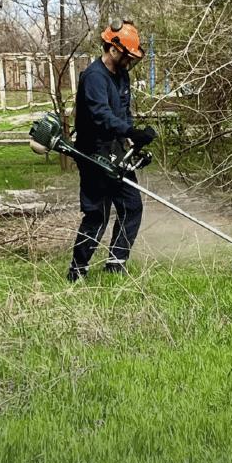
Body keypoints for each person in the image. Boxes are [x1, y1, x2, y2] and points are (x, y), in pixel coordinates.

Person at [67, 20, 156, 282]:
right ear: (114, 49)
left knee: (132, 206)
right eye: (127, 56)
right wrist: (129, 131)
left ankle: (116, 264)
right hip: (93, 152)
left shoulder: (122, 75)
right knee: (98, 213)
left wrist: (133, 139)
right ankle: (77, 270)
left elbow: (122, 112)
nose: (130, 61)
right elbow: (101, 115)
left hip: (116, 149)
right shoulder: (94, 77)